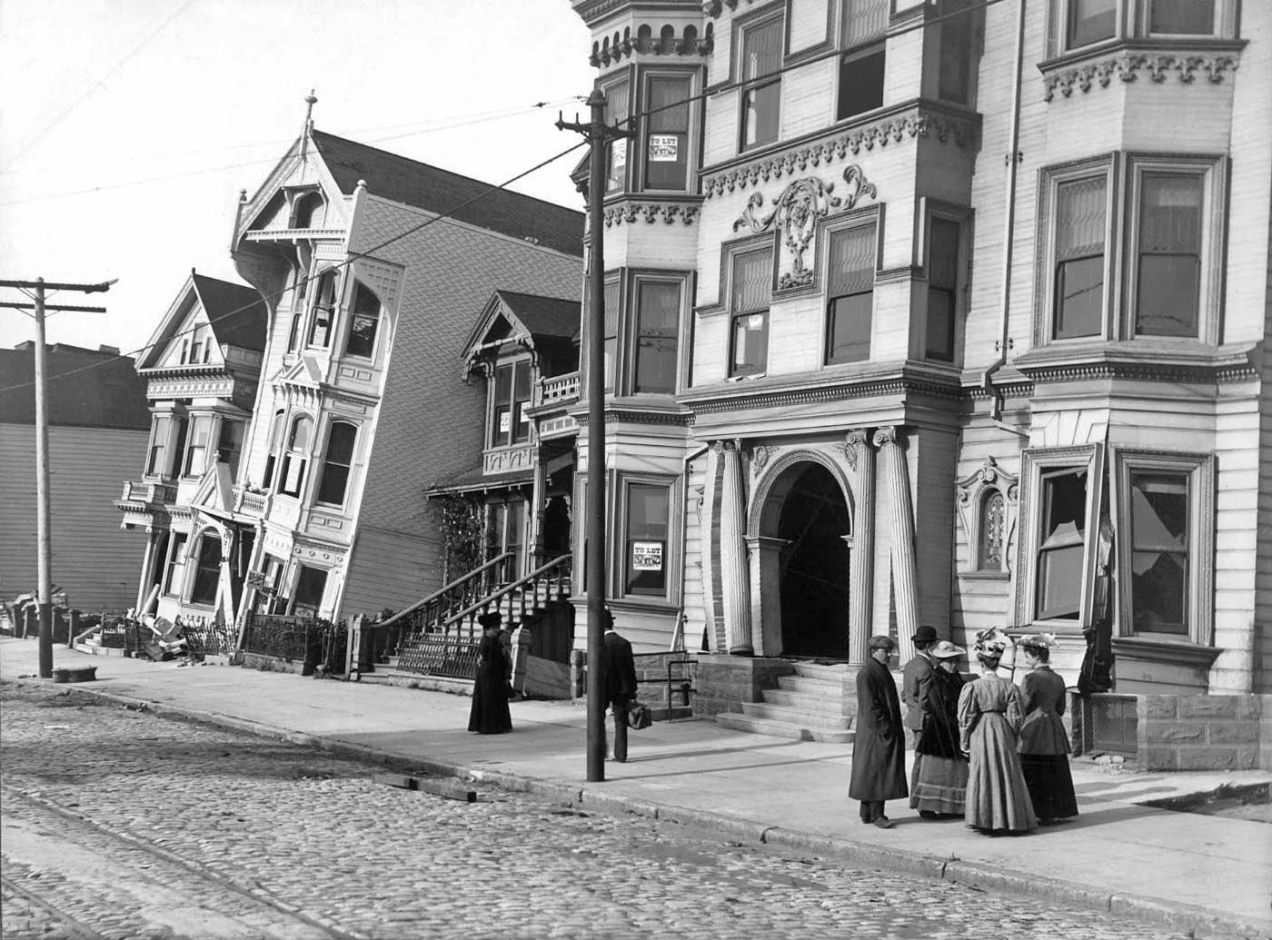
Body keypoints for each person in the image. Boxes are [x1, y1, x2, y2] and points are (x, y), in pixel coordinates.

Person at [958, 627, 1036, 834]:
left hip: (981, 730)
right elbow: (1016, 717)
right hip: (1002, 729)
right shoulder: (1009, 686)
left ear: (981, 663)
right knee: (1006, 772)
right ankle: (1009, 819)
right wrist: (1012, 735)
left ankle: (984, 820)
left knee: (982, 772)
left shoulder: (973, 687)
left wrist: (964, 742)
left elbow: (966, 718)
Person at [1017, 633, 1079, 825]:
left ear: (1035, 657)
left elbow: (1023, 705)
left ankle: (1037, 810)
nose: (1026, 660)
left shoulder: (1030, 678)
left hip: (1034, 727)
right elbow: (1060, 708)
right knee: (1055, 768)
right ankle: (1059, 810)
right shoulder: (1058, 678)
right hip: (1054, 726)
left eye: (1027, 656)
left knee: (1033, 769)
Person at [849, 635, 908, 828]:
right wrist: (885, 728)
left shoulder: (879, 670)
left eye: (890, 651)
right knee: (878, 773)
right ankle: (877, 815)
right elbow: (870, 706)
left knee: (872, 773)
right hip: (876, 733)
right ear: (874, 652)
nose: (889, 655)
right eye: (885, 652)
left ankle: (867, 813)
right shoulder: (867, 673)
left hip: (877, 731)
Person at [910, 640, 969, 818]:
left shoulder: (957, 679)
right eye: (949, 661)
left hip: (953, 728)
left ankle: (951, 807)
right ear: (941, 662)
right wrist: (951, 722)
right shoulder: (935, 678)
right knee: (935, 771)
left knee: (954, 772)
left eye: (955, 660)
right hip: (938, 729)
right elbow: (934, 705)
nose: (953, 664)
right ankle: (927, 807)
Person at [902, 625, 939, 783]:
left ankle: (917, 790)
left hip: (914, 715)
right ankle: (918, 791)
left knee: (919, 757)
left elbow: (905, 694)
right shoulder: (927, 668)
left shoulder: (910, 664)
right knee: (923, 759)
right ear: (929, 645)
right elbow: (925, 699)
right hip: (924, 719)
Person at [600, 609, 638, 762]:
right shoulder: (624, 643)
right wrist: (632, 690)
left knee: (598, 719)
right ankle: (621, 755)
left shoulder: (599, 644)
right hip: (622, 688)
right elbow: (630, 669)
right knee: (621, 722)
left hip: (603, 687)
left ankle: (600, 752)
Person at [467, 611, 512, 735]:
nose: (497, 630)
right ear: (489, 629)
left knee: (496, 700)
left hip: (495, 674)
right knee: (488, 700)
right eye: (495, 628)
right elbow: (487, 658)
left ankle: (498, 725)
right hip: (488, 675)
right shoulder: (487, 641)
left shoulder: (495, 641)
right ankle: (489, 726)